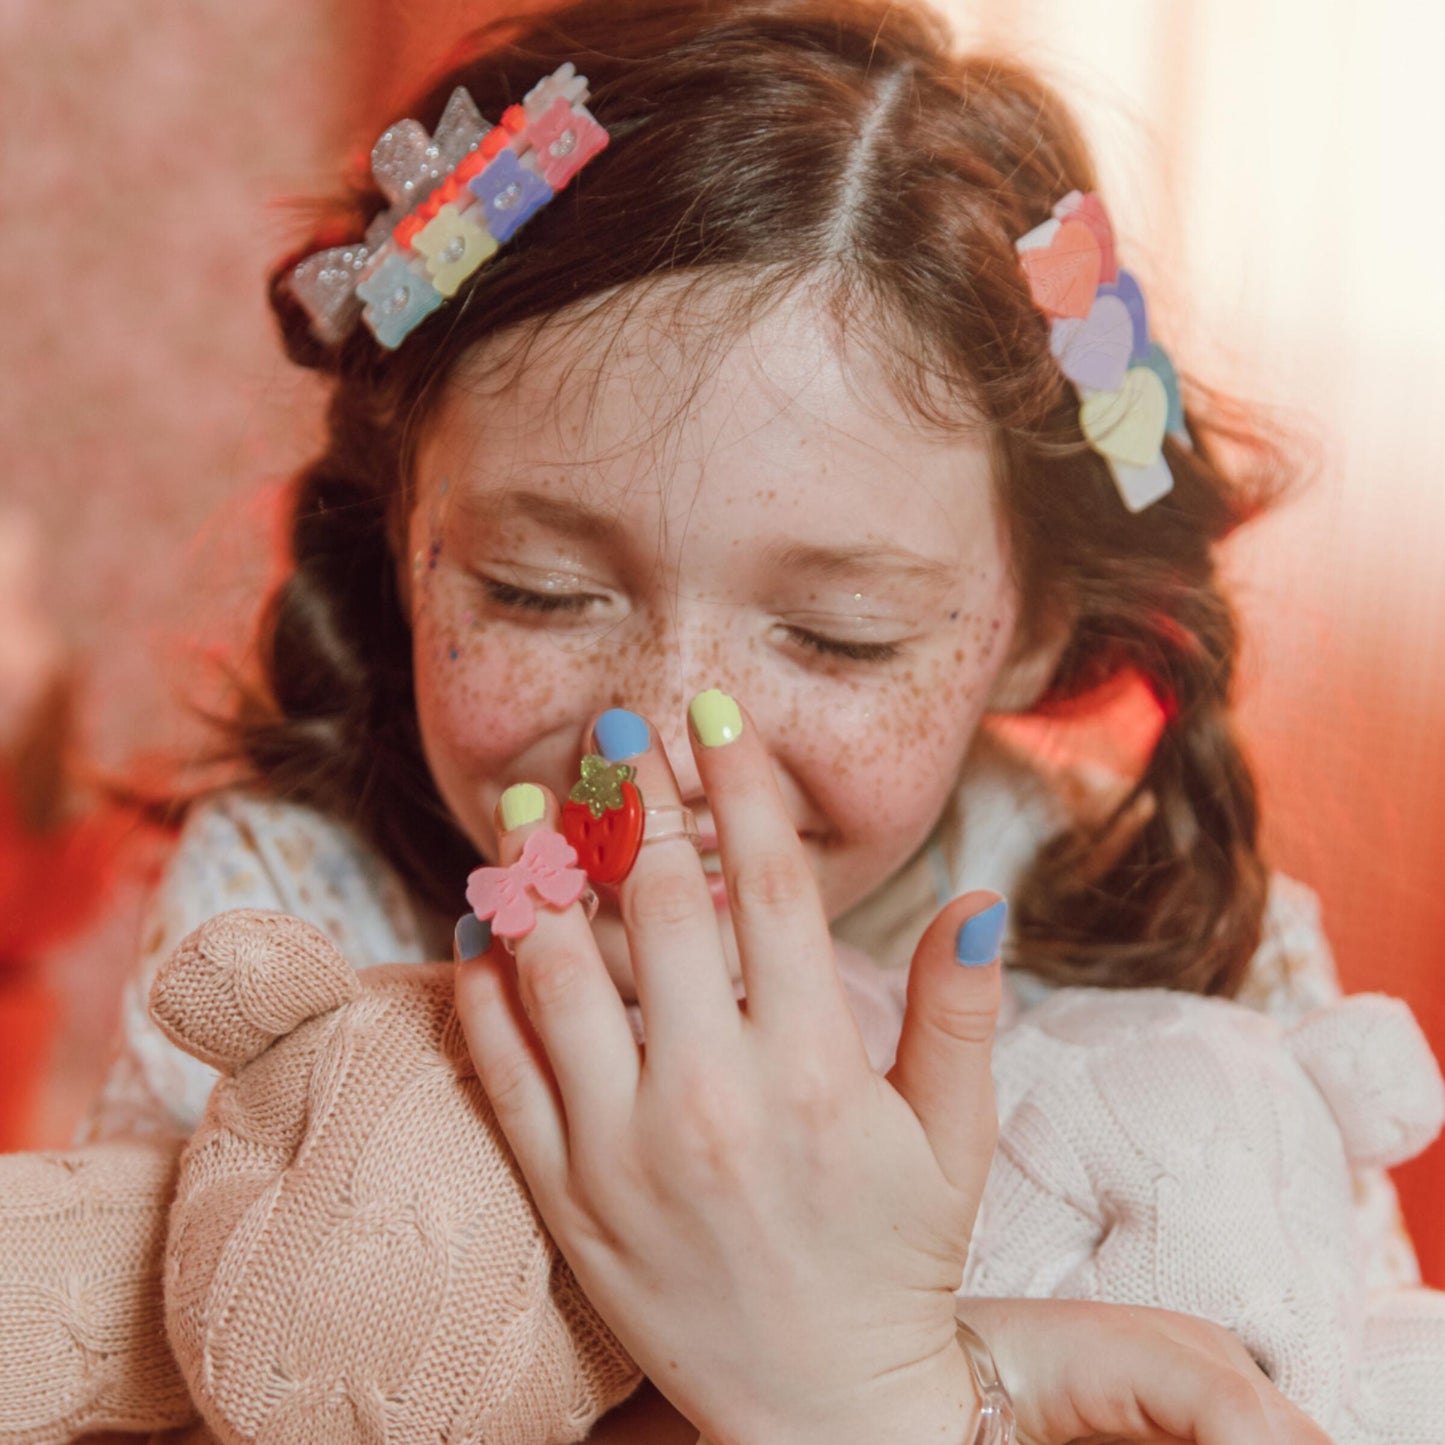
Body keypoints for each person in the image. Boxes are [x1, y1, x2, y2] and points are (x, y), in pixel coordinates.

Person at [79, 0, 1419, 1438]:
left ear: (1033, 627)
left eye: (835, 635)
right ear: (403, 528)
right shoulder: (287, 914)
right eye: (538, 592)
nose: (652, 746)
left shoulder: (1197, 961)